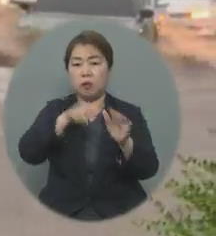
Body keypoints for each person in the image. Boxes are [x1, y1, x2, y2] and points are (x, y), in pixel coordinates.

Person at [17, 30, 159, 221]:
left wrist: (125, 143)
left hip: (119, 212)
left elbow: (149, 169)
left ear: (109, 68)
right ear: (68, 70)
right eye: (76, 64)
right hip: (62, 212)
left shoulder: (128, 113)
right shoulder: (55, 110)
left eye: (94, 63)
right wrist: (63, 121)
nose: (85, 71)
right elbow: (28, 153)